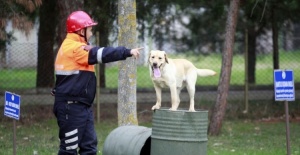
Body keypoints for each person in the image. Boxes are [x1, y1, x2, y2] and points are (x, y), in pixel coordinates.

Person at [51, 10, 143, 155]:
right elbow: (101, 54)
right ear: (81, 30)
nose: (92, 33)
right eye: (90, 29)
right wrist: (126, 52)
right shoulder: (73, 48)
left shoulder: (77, 45)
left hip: (82, 106)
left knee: (89, 148)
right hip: (71, 107)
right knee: (69, 150)